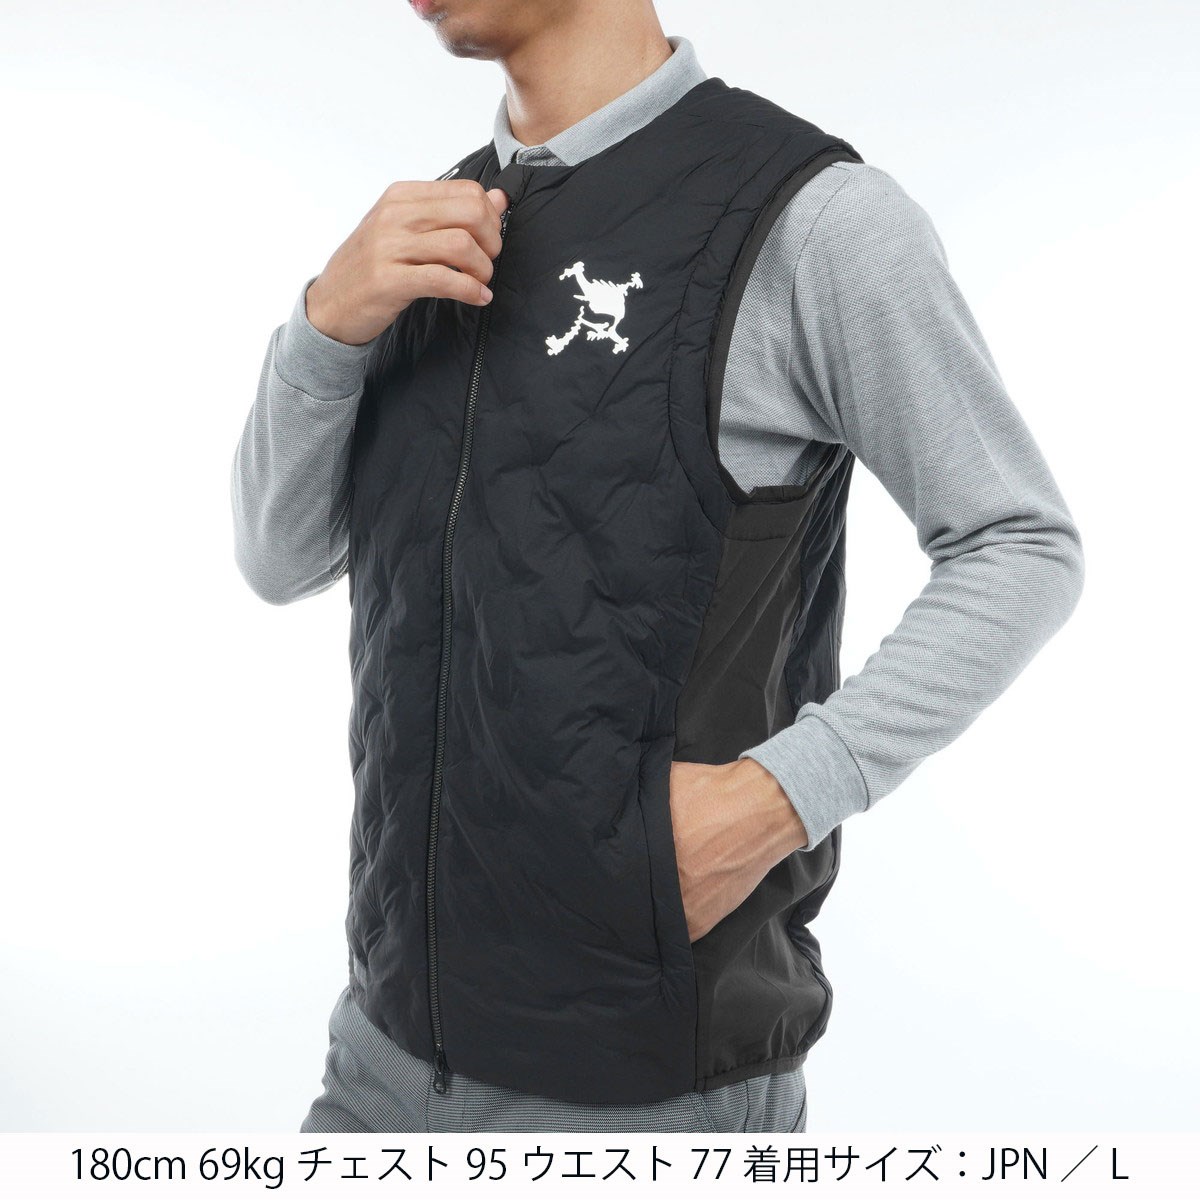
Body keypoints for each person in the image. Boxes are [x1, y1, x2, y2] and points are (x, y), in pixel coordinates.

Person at [230, 2, 1084, 1135]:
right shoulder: (429, 229)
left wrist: (780, 796)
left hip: (647, 1096)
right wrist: (326, 326)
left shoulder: (813, 218)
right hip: (377, 1061)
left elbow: (1019, 544)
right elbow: (281, 557)